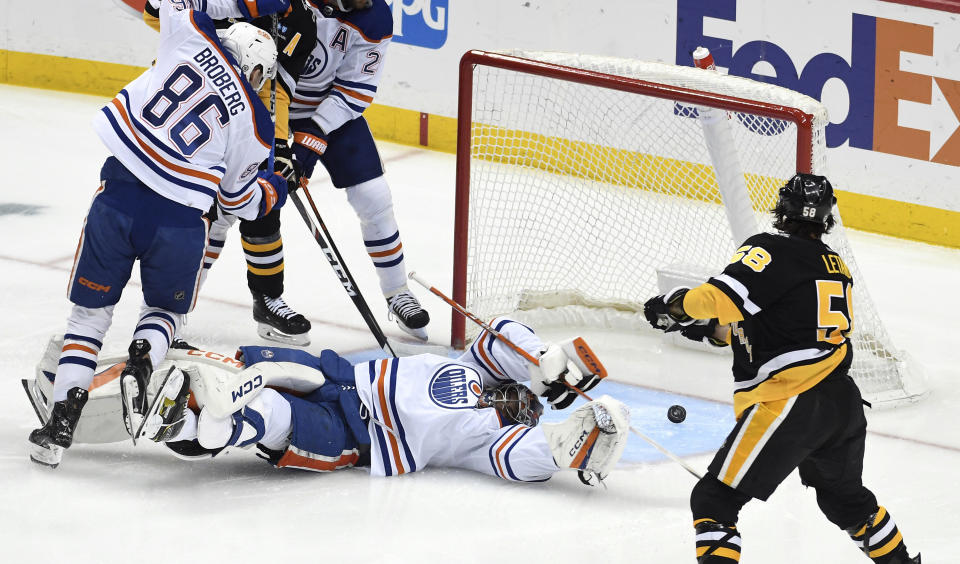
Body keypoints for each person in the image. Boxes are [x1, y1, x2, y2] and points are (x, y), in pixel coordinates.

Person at [28, 0, 291, 468]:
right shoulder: (256, 121)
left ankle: (60, 422)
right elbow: (238, 201)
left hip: (119, 198)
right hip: (181, 221)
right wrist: (277, 187)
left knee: (88, 319)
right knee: (165, 313)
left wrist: (243, 0)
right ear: (256, 68)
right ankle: (144, 358)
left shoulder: (191, 38)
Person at [643, 173, 920, 563]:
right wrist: (707, 331)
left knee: (714, 498)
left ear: (782, 210)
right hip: (841, 403)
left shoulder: (770, 249)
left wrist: (673, 306)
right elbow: (780, 327)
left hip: (791, 399)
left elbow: (716, 298)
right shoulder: (835, 265)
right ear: (826, 218)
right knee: (845, 502)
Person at [23, 320, 628, 484]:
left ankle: (195, 423)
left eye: (529, 412)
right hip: (346, 378)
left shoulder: (483, 440)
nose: (521, 410)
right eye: (526, 400)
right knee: (246, 365)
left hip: (356, 439)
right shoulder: (474, 366)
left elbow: (530, 456)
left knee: (267, 419)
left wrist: (574, 442)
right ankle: (87, 387)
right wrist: (543, 359)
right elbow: (497, 333)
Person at [144, 0, 320, 346]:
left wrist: (279, 148)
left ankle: (268, 301)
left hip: (246, 119)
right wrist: (231, 17)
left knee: (261, 205)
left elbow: (278, 89)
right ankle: (171, 311)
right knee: (198, 211)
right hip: (193, 107)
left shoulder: (299, 19)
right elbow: (156, 8)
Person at [289, 0, 432, 341]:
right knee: (241, 206)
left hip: (332, 113)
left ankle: (397, 292)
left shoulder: (375, 17)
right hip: (275, 108)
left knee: (374, 199)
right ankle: (183, 306)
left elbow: (354, 91)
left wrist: (313, 134)